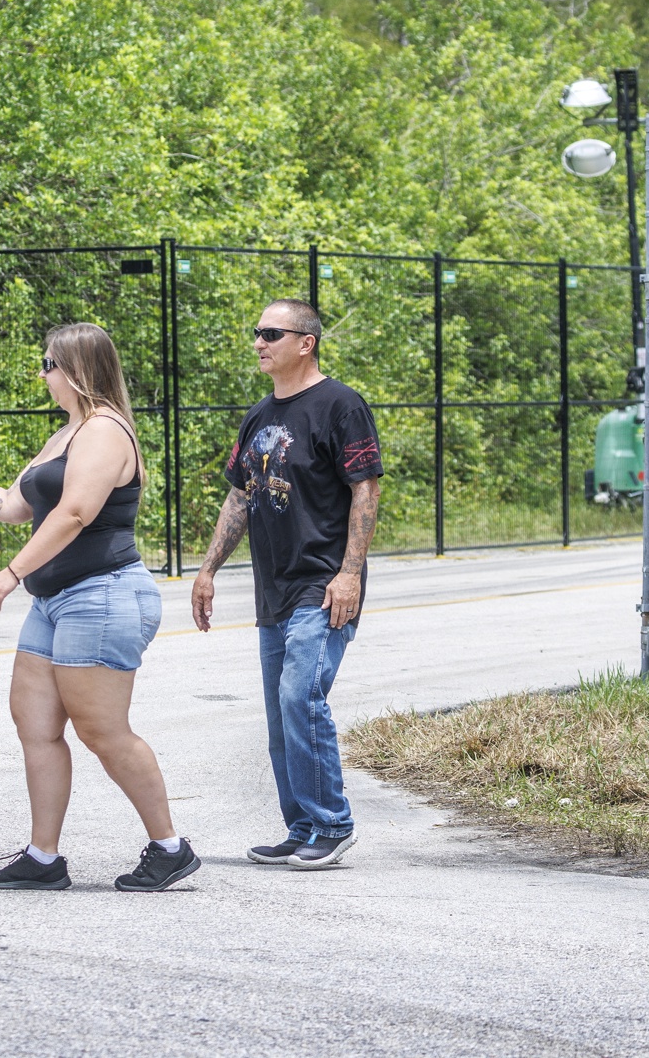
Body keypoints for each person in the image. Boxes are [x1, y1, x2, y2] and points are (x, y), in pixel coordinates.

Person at [0, 322, 196, 893]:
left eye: (48, 364)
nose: (42, 374)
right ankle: (44, 857)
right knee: (35, 724)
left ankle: (170, 847)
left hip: (104, 594)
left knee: (102, 730)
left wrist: (12, 572)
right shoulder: (66, 433)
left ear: (77, 370)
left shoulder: (106, 431)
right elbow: (13, 506)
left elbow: (75, 513)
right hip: (57, 600)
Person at [190, 299, 382, 870]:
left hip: (322, 584)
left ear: (307, 342)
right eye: (256, 333)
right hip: (273, 586)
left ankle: (333, 823)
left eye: (271, 333)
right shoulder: (258, 416)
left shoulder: (341, 406)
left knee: (302, 696)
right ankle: (302, 827)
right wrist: (207, 569)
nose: (258, 342)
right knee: (281, 713)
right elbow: (241, 494)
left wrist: (349, 573)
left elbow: (365, 490)